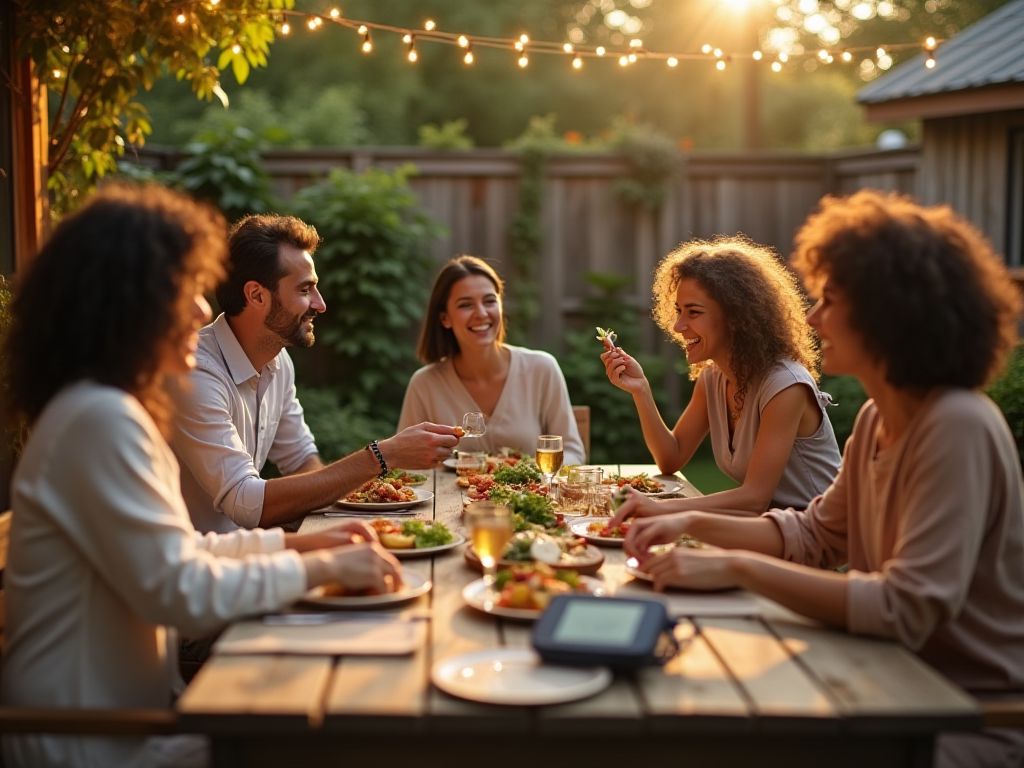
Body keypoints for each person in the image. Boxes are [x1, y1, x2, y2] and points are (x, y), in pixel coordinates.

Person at [0, 184, 404, 768]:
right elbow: (182, 594)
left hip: (137, 720)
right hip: (87, 741)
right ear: (128, 305)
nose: (198, 312)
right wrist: (320, 564)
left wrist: (311, 540)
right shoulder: (99, 421)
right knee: (338, 732)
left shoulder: (105, 410)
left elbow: (186, 551)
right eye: (185, 291)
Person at [625, 190, 1024, 768]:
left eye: (831, 300)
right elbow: (815, 534)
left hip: (959, 717)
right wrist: (686, 519)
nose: (812, 318)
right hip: (883, 680)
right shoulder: (877, 418)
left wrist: (734, 564)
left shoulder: (956, 425)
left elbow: (905, 607)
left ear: (891, 313)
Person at [167, 214, 460, 534]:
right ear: (256, 296)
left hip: (250, 550)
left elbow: (302, 460)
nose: (320, 305)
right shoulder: (195, 373)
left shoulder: (279, 362)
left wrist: (360, 504)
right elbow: (245, 501)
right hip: (196, 569)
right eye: (305, 289)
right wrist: (382, 455)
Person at [603, 236, 840, 519]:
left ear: (736, 317)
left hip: (816, 542)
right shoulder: (714, 378)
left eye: (694, 312)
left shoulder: (785, 386)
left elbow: (754, 498)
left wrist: (659, 508)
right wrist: (641, 390)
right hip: (765, 530)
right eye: (679, 311)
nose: (678, 326)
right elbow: (671, 458)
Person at [398, 255, 585, 464]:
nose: (481, 313)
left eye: (489, 301)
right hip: (449, 496)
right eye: (465, 305)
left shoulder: (542, 369)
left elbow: (572, 452)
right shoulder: (424, 384)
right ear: (445, 318)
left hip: (529, 495)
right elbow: (406, 463)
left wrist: (533, 474)